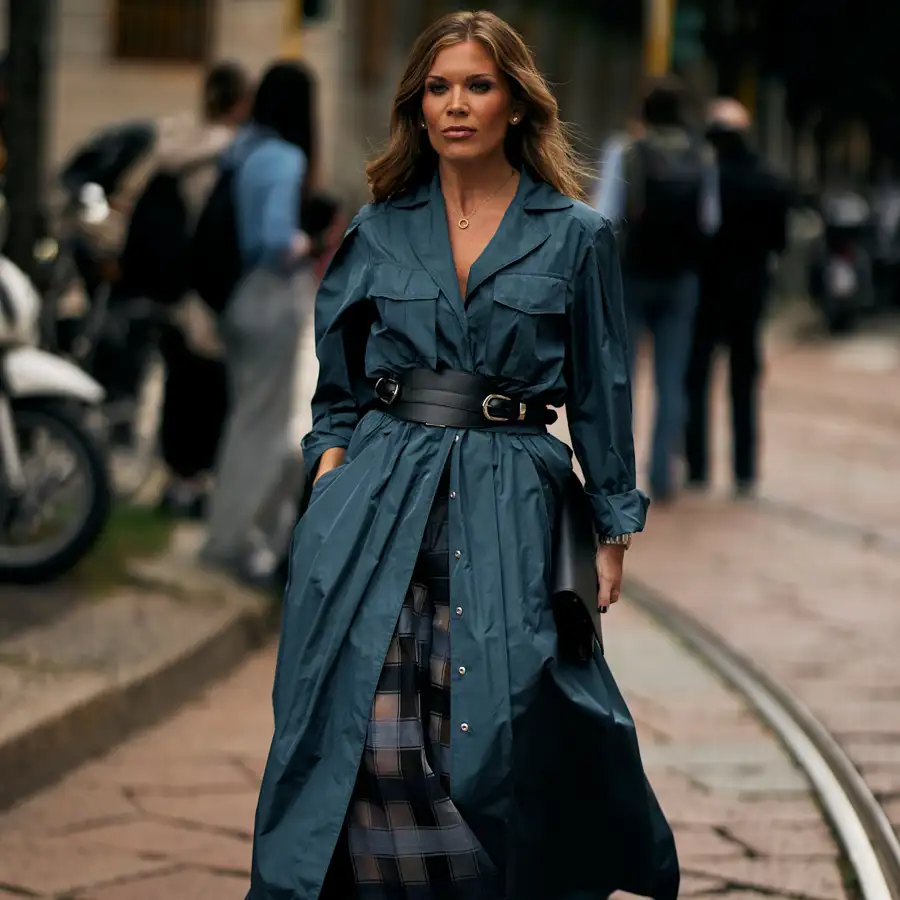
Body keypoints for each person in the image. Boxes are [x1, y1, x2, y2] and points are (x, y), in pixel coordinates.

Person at [247, 11, 679, 900]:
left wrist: (613, 527)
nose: (456, 105)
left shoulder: (575, 236)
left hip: (514, 500)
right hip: (376, 502)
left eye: (477, 86)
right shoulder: (377, 229)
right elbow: (336, 391)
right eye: (438, 88)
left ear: (517, 103)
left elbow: (601, 392)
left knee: (502, 731)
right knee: (368, 726)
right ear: (417, 106)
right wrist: (330, 477)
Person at [200, 62, 316, 582]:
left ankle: (225, 532)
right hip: (270, 296)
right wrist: (308, 242)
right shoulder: (287, 158)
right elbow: (273, 239)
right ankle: (235, 541)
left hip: (235, 296)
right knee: (263, 426)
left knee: (242, 419)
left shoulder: (242, 147)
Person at [596, 78, 719, 503]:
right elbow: (709, 222)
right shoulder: (702, 156)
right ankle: (663, 474)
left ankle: (619, 476)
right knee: (672, 379)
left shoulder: (625, 151)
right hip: (681, 279)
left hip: (630, 276)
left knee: (622, 378)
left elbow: (604, 215)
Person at [154, 61, 252, 517]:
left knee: (178, 387)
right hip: (209, 289)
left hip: (172, 284)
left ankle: (176, 481)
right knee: (210, 391)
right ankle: (197, 485)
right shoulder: (232, 154)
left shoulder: (174, 141)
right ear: (238, 102)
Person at [685, 98, 791, 497]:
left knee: (696, 378)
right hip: (750, 292)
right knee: (744, 382)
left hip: (706, 291)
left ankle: (697, 468)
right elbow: (780, 241)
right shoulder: (769, 178)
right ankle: (744, 471)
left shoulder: (704, 177)